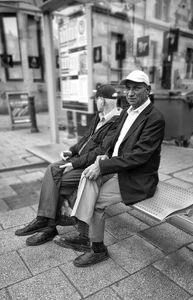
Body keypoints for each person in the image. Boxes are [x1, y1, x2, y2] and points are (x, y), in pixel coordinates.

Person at [55, 70, 165, 267]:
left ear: (147, 90)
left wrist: (103, 166)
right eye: (128, 88)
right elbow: (115, 141)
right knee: (87, 178)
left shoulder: (154, 118)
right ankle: (84, 234)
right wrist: (105, 155)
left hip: (136, 176)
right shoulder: (127, 111)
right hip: (116, 169)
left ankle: (97, 249)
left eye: (137, 88)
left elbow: (139, 156)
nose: (130, 93)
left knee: (96, 201)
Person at [15, 84, 122, 246]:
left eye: (96, 100)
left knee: (56, 183)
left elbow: (101, 151)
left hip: (94, 166)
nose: (95, 103)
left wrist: (74, 163)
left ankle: (47, 224)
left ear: (102, 100)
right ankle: (45, 222)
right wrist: (71, 152)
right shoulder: (99, 117)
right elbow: (85, 138)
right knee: (52, 169)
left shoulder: (116, 122)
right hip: (80, 160)